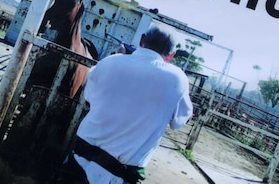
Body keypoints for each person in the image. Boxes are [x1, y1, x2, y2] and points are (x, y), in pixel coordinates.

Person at [70, 27, 193, 184]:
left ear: (141, 40)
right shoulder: (178, 78)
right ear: (171, 55)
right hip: (119, 174)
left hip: (80, 158)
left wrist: (119, 56)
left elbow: (89, 97)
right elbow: (178, 123)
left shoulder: (109, 62)